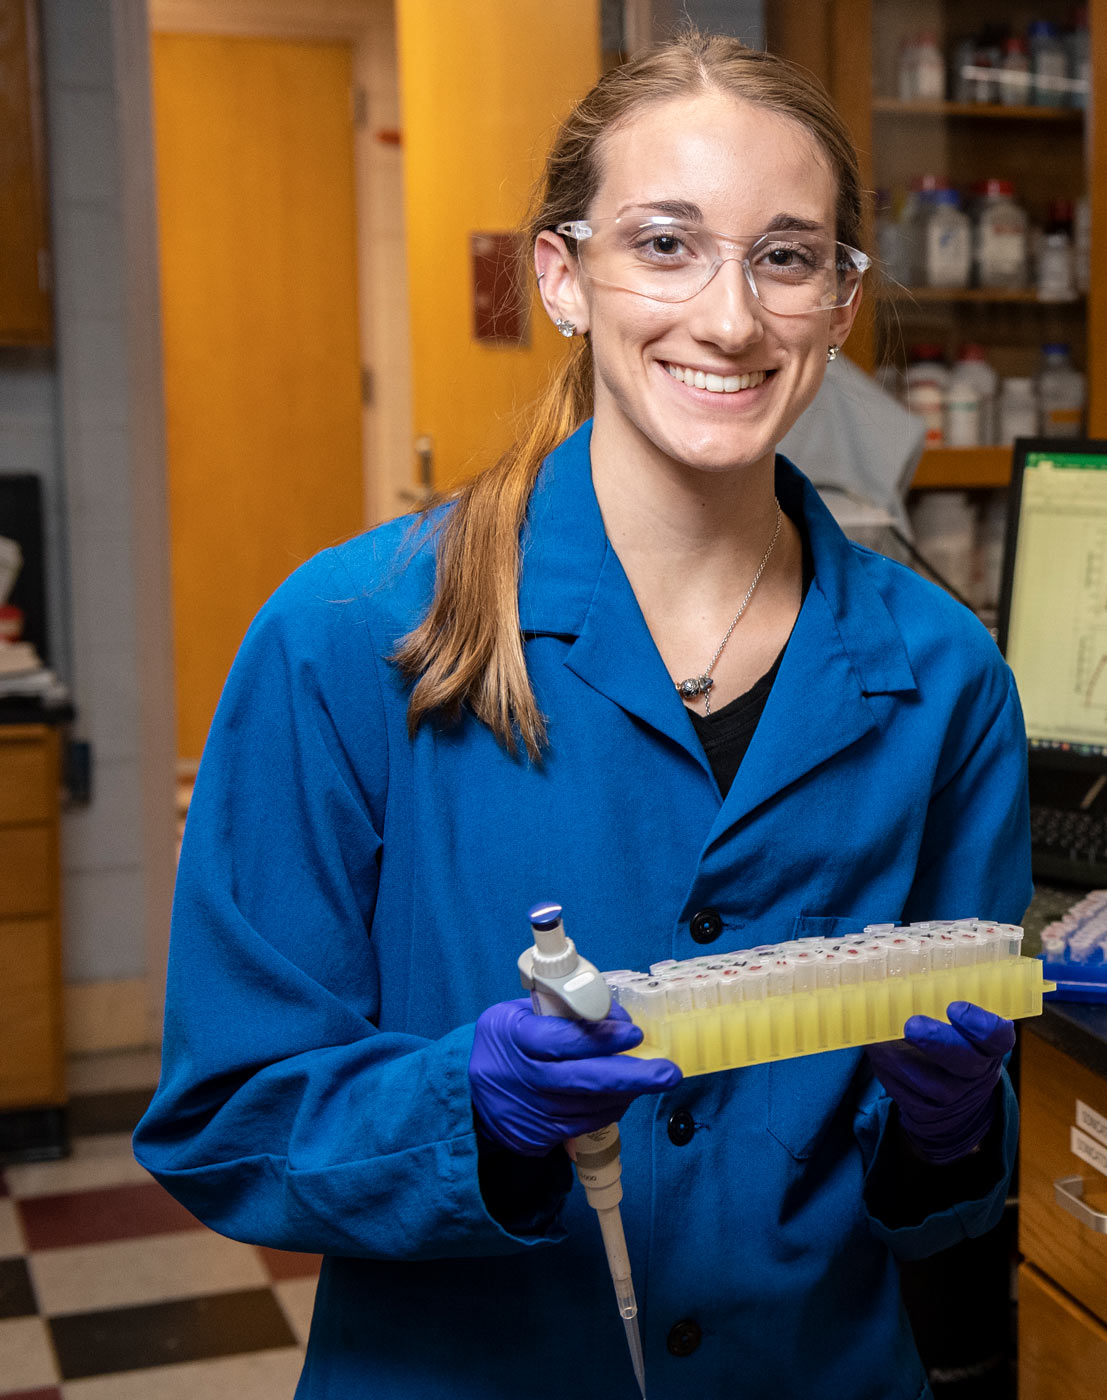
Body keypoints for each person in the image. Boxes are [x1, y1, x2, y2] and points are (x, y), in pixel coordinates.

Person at [130, 34, 1029, 1399]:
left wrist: (953, 1131)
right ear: (562, 275)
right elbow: (225, 1118)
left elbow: (943, 1199)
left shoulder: (942, 676)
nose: (729, 317)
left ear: (840, 304)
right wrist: (470, 1109)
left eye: (785, 258)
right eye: (665, 244)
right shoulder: (353, 638)